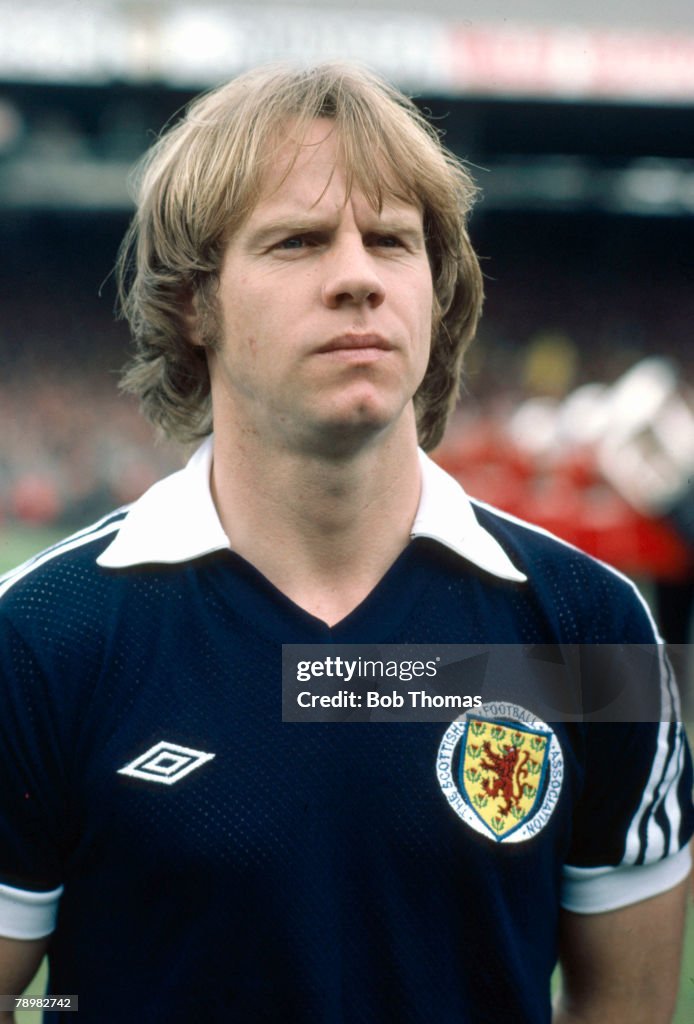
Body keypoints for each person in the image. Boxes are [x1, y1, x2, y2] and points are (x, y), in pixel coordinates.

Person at [0, 62, 692, 1024]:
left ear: (437, 289)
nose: (358, 276)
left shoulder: (598, 629)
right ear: (195, 302)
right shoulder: (38, 638)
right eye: (298, 241)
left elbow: (626, 1004)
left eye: (393, 242)